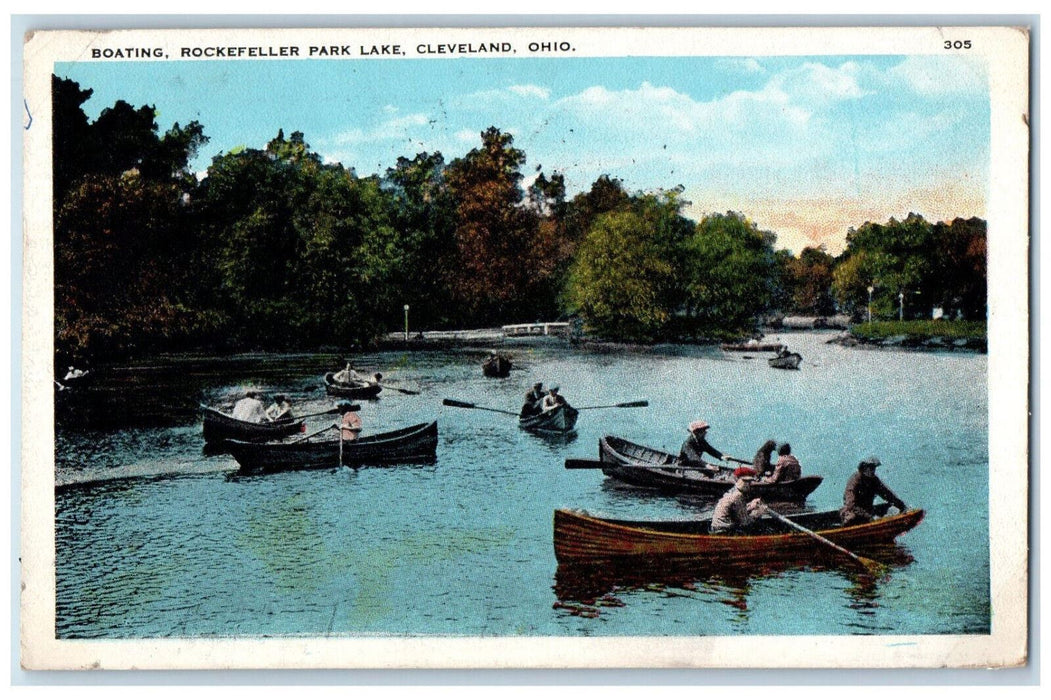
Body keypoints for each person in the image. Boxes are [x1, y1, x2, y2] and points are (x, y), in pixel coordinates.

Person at [840, 457, 908, 526]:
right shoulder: (854, 481)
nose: (873, 471)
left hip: (868, 510)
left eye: (874, 468)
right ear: (864, 468)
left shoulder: (874, 480)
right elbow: (851, 504)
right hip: (854, 511)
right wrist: (867, 516)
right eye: (871, 468)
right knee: (851, 518)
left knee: (892, 509)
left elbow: (887, 494)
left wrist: (902, 506)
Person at [710, 467, 767, 534]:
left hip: (716, 528)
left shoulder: (732, 491)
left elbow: (737, 510)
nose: (748, 485)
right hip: (723, 531)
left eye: (749, 482)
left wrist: (750, 506)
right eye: (745, 481)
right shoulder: (738, 496)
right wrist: (758, 513)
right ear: (737, 480)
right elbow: (745, 522)